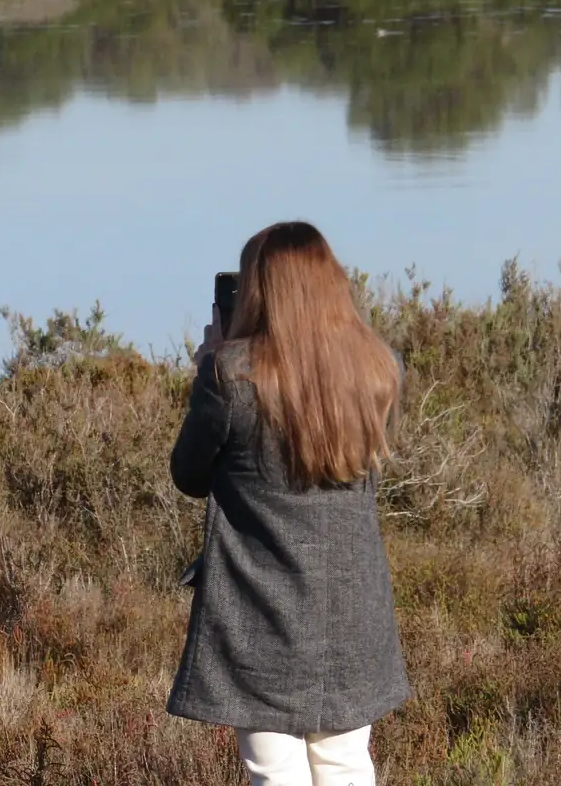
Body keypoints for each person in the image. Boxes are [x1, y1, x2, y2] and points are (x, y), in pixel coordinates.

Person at [165, 221, 411, 786]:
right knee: (346, 767)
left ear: (259, 291)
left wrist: (209, 363)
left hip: (259, 613)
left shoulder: (229, 375)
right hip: (354, 611)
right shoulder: (380, 369)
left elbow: (189, 475)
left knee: (275, 774)